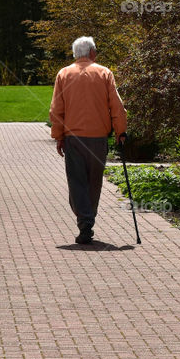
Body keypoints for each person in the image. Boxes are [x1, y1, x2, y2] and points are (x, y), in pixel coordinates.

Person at [50, 36, 128, 244]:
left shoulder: (64, 74)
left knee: (76, 182)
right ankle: (87, 219)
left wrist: (59, 136)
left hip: (74, 139)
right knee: (94, 182)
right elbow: (117, 107)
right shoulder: (104, 73)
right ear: (92, 53)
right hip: (98, 139)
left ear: (76, 54)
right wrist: (121, 131)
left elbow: (56, 109)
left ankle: (85, 220)